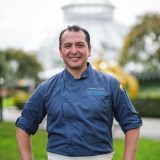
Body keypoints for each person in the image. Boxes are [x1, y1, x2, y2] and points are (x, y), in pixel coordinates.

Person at [16, 25, 142, 160]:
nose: (74, 51)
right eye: (68, 46)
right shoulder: (46, 88)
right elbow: (24, 125)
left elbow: (132, 122)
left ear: (89, 50)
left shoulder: (110, 84)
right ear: (60, 51)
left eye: (80, 45)